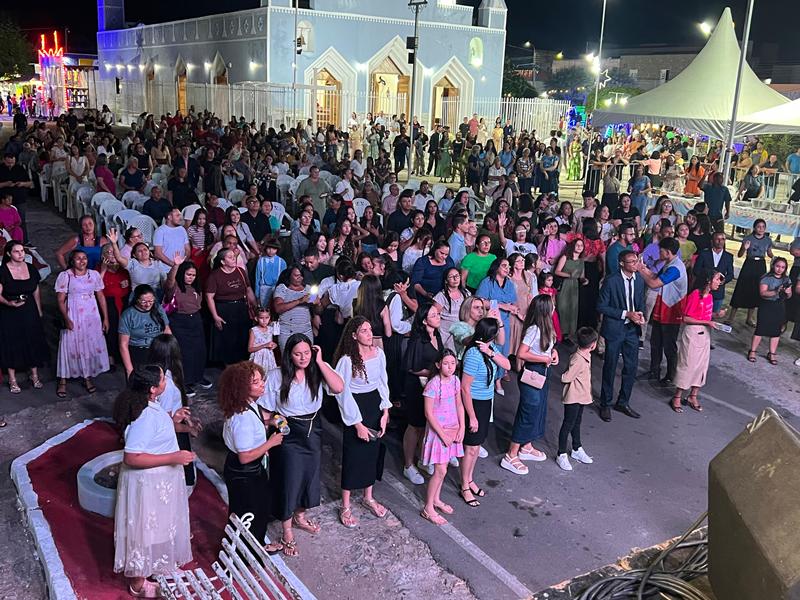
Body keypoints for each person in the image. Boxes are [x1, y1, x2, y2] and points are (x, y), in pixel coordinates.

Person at [112, 365, 194, 599]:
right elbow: (132, 456)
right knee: (143, 531)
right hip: (147, 483)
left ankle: (157, 564)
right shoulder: (145, 416)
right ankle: (138, 584)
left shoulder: (149, 407)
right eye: (162, 378)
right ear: (152, 389)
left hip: (159, 483)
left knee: (158, 526)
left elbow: (155, 434)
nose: (165, 380)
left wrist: (173, 420)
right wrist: (174, 457)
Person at [260, 334, 344, 557]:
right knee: (289, 480)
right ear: (289, 355)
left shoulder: (316, 370)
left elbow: (338, 387)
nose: (303, 357)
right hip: (288, 433)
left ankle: (300, 516)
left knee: (309, 477)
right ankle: (286, 530)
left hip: (312, 430)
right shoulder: (276, 376)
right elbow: (265, 412)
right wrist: (271, 429)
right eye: (298, 354)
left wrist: (320, 362)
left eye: (307, 353)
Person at [217, 361, 285, 554]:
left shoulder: (247, 405)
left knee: (257, 508)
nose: (262, 384)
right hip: (245, 472)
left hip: (247, 469)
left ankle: (255, 546)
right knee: (249, 512)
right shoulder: (243, 418)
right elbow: (245, 457)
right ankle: (246, 553)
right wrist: (270, 443)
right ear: (241, 387)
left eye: (261, 380)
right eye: (255, 382)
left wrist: (270, 421)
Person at [332, 317, 391, 528]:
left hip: (374, 405)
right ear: (354, 335)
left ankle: (368, 497)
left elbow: (383, 382)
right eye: (363, 331)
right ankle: (345, 505)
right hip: (355, 408)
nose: (369, 334)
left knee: (372, 453)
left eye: (369, 329)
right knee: (353, 455)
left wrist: (385, 412)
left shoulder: (379, 353)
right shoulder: (347, 360)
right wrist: (357, 424)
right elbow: (342, 393)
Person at [501, 294, 558, 475]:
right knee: (528, 411)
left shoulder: (547, 326)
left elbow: (547, 348)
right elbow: (521, 353)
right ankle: (511, 454)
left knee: (538, 409)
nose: (554, 307)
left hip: (544, 372)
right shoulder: (534, 329)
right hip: (532, 373)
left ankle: (526, 446)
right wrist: (543, 359)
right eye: (552, 305)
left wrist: (553, 353)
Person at [460, 318, 510, 500]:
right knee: (470, 448)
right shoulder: (473, 354)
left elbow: (507, 365)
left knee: (477, 445)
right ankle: (464, 486)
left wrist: (490, 352)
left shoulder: (489, 348)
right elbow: (465, 388)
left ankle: (469, 479)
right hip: (474, 403)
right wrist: (472, 416)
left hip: (486, 401)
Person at [597, 250, 646, 422]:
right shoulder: (611, 281)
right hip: (615, 330)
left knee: (631, 367)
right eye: (631, 262)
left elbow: (640, 302)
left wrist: (640, 315)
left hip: (632, 330)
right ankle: (605, 403)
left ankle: (623, 402)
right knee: (610, 367)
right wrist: (626, 314)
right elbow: (601, 306)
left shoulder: (639, 280)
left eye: (636, 261)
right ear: (622, 264)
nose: (635, 264)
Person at [55, 250, 109, 398]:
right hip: (73, 314)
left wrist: (105, 318)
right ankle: (63, 380)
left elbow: (100, 296)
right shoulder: (66, 276)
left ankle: (87, 377)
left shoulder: (94, 275)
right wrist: (66, 318)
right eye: (78, 258)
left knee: (88, 344)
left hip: (91, 315)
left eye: (84, 258)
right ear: (72, 261)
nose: (82, 261)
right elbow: (60, 300)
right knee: (69, 344)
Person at [671, 270, 725, 412]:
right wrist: (707, 322)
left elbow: (704, 315)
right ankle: (677, 396)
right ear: (708, 280)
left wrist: (716, 315)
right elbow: (686, 318)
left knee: (701, 366)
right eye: (717, 279)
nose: (719, 283)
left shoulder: (710, 297)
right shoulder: (695, 295)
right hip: (693, 333)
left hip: (705, 334)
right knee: (687, 364)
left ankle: (693, 395)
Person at [401, 304, 444, 485]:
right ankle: (408, 465)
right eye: (433, 315)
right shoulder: (418, 340)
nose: (438, 317)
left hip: (431, 387)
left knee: (425, 426)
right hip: (416, 388)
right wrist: (434, 372)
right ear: (425, 321)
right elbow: (411, 367)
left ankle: (422, 459)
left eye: (438, 314)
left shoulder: (437, 335)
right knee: (415, 425)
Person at [421, 349, 464, 525]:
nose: (450, 367)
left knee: (444, 467)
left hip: (452, 428)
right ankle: (428, 507)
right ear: (438, 365)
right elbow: (428, 413)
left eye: (453, 363)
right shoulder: (432, 385)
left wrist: (462, 427)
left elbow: (459, 404)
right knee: (440, 470)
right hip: (438, 432)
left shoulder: (455, 380)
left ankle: (436, 500)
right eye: (446, 363)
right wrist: (442, 435)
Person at [637, 237, 688, 385]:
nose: (658, 253)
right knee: (656, 342)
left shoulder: (675, 268)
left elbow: (654, 284)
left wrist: (639, 271)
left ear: (667, 252)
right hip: (664, 307)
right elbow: (655, 276)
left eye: (661, 251)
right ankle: (654, 371)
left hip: (672, 311)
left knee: (669, 345)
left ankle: (671, 376)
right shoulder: (670, 263)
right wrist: (643, 268)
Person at [0, 241, 47, 393]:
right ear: (9, 254)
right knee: (12, 343)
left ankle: (34, 375)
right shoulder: (3, 271)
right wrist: (9, 303)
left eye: (22, 251)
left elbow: (35, 290)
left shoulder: (31, 268)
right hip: (10, 312)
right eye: (17, 251)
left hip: (29, 309)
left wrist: (38, 310)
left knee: (32, 339)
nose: (21, 254)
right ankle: (12, 379)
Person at [163, 260, 211, 395]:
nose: (191, 277)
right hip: (179, 321)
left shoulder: (196, 287)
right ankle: (184, 381)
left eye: (193, 275)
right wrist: (176, 266)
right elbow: (169, 281)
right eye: (188, 274)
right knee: (184, 352)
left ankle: (198, 376)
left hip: (195, 319)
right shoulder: (175, 287)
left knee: (199, 350)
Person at [206, 248, 257, 365]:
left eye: (234, 256)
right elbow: (209, 297)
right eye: (230, 257)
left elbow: (248, 289)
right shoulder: (215, 275)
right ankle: (228, 366)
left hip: (241, 308)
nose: (234, 259)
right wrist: (215, 316)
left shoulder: (240, 271)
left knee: (242, 337)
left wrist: (255, 306)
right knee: (227, 340)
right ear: (223, 261)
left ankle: (242, 364)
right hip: (224, 310)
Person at [556, 327, 598, 471]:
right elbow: (566, 377)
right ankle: (561, 453)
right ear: (592, 344)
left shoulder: (585, 355)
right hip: (573, 397)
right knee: (568, 424)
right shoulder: (578, 359)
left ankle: (576, 448)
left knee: (576, 422)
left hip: (581, 396)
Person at [475, 257, 518, 393]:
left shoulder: (509, 284)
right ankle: (489, 379)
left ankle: (499, 379)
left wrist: (512, 308)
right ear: (496, 267)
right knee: (490, 349)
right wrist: (501, 305)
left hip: (504, 321)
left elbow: (512, 302)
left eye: (509, 266)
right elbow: (480, 301)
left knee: (503, 350)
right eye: (504, 265)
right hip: (489, 321)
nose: (507, 268)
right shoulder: (487, 282)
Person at [119, 284, 171, 376]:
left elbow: (167, 330)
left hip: (158, 349)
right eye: (143, 302)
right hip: (139, 351)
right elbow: (123, 344)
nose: (148, 304)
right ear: (136, 299)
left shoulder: (158, 308)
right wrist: (129, 370)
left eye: (151, 301)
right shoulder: (128, 315)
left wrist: (171, 350)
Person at [748, 257, 792, 365]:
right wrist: (776, 291)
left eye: (783, 267)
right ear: (773, 266)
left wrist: (787, 292)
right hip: (766, 305)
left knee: (776, 331)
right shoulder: (766, 278)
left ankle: (772, 353)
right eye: (778, 266)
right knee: (760, 329)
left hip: (779, 306)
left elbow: (789, 296)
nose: (780, 269)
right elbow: (763, 293)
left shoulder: (787, 279)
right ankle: (752, 351)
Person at [729, 219, 773, 327]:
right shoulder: (748, 238)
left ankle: (749, 318)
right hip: (749, 263)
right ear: (754, 228)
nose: (761, 229)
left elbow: (769, 253)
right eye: (759, 227)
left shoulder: (768, 240)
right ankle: (731, 318)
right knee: (741, 288)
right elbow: (739, 255)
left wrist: (775, 258)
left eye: (763, 227)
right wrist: (744, 248)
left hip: (761, 265)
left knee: (756, 290)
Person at [693, 231, 735, 315]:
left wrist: (723, 280)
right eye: (717, 239)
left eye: (722, 239)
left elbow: (730, 274)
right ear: (712, 241)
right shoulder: (704, 254)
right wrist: (708, 279)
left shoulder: (729, 257)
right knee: (697, 314)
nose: (720, 241)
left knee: (714, 316)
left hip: (718, 292)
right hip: (702, 289)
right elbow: (696, 271)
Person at [553, 239, 586, 343]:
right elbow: (557, 271)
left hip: (574, 287)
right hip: (564, 285)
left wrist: (584, 280)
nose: (579, 247)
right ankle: (559, 334)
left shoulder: (581, 261)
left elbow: (581, 276)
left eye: (581, 245)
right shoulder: (565, 257)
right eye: (577, 245)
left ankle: (569, 335)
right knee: (562, 309)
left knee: (572, 310)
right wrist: (569, 275)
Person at [254, 238, 286, 308]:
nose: (271, 251)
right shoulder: (261, 261)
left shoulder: (282, 262)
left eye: (274, 249)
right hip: (264, 289)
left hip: (277, 288)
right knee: (264, 309)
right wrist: (257, 295)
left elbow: (284, 279)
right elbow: (257, 278)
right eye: (269, 248)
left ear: (277, 249)